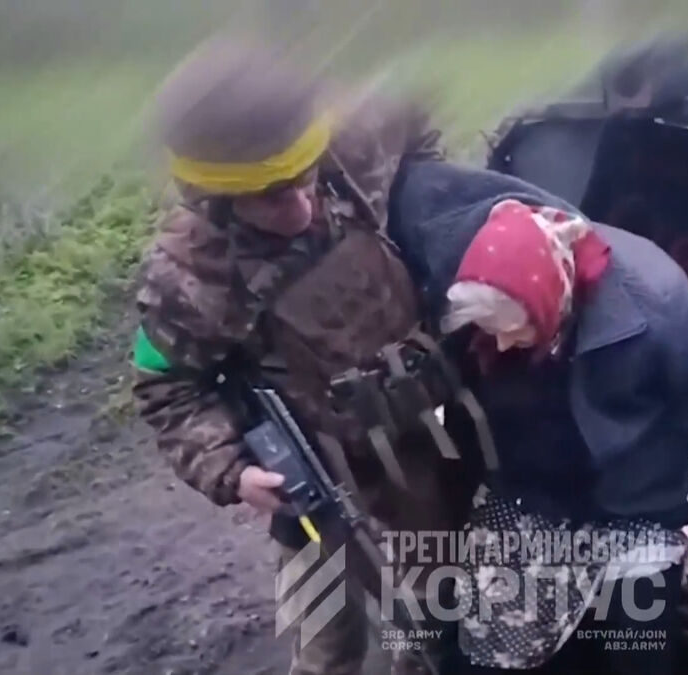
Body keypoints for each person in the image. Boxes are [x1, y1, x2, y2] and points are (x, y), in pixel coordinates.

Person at [130, 39, 472, 675]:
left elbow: (411, 120)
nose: (300, 209)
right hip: (318, 482)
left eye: (303, 180)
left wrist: (426, 215)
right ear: (213, 197)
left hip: (421, 442)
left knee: (436, 620)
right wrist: (232, 471)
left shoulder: (348, 139)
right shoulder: (187, 277)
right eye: (268, 197)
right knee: (326, 645)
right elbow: (166, 389)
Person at [386, 159, 688, 674]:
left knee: (635, 652)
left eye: (515, 329)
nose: (501, 343)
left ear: (552, 303)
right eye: (490, 330)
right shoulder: (470, 267)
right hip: (530, 493)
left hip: (635, 498)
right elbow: (408, 190)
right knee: (486, 652)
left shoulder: (656, 309)